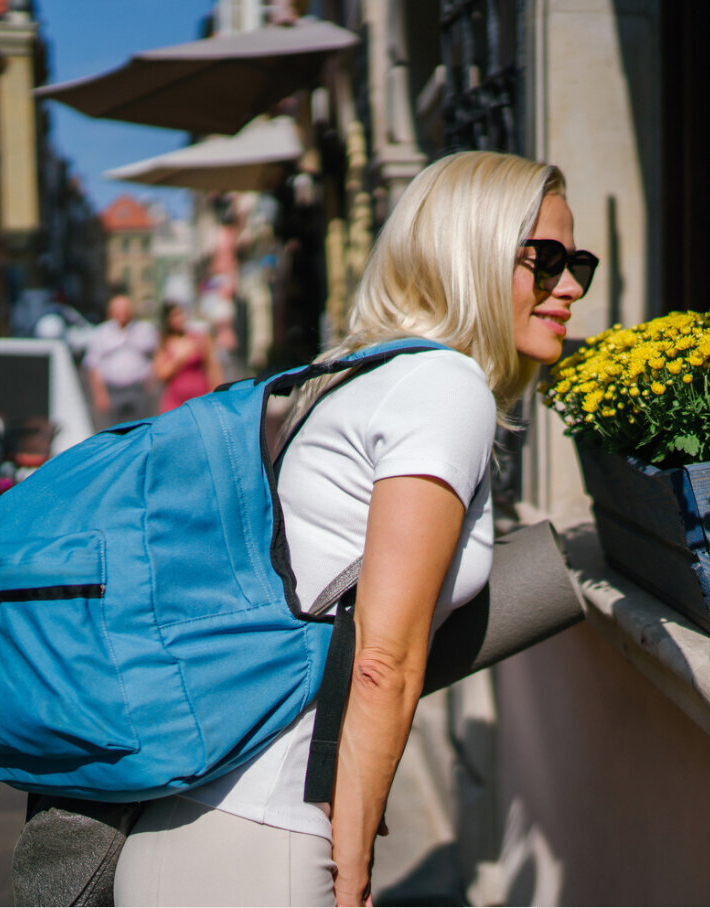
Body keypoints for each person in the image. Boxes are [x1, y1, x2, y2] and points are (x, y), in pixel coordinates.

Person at [113, 150, 598, 907]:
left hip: (211, 817)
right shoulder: (446, 387)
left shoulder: (365, 372)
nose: (569, 286)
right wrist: (352, 878)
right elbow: (382, 661)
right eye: (546, 260)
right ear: (469, 253)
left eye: (580, 264)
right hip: (262, 841)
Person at [84, 294, 159, 430]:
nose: (122, 313)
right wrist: (99, 394)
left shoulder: (145, 330)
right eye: (118, 309)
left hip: (138, 389)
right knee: (114, 432)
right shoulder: (101, 333)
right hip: (112, 391)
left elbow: (155, 357)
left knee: (141, 430)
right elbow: (93, 365)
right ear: (111, 312)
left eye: (125, 308)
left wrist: (152, 382)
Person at [153, 302, 225, 414]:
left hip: (200, 396)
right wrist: (180, 357)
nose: (178, 319)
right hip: (175, 401)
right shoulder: (164, 344)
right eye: (173, 316)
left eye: (180, 314)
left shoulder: (198, 338)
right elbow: (162, 374)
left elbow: (212, 365)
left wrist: (216, 389)